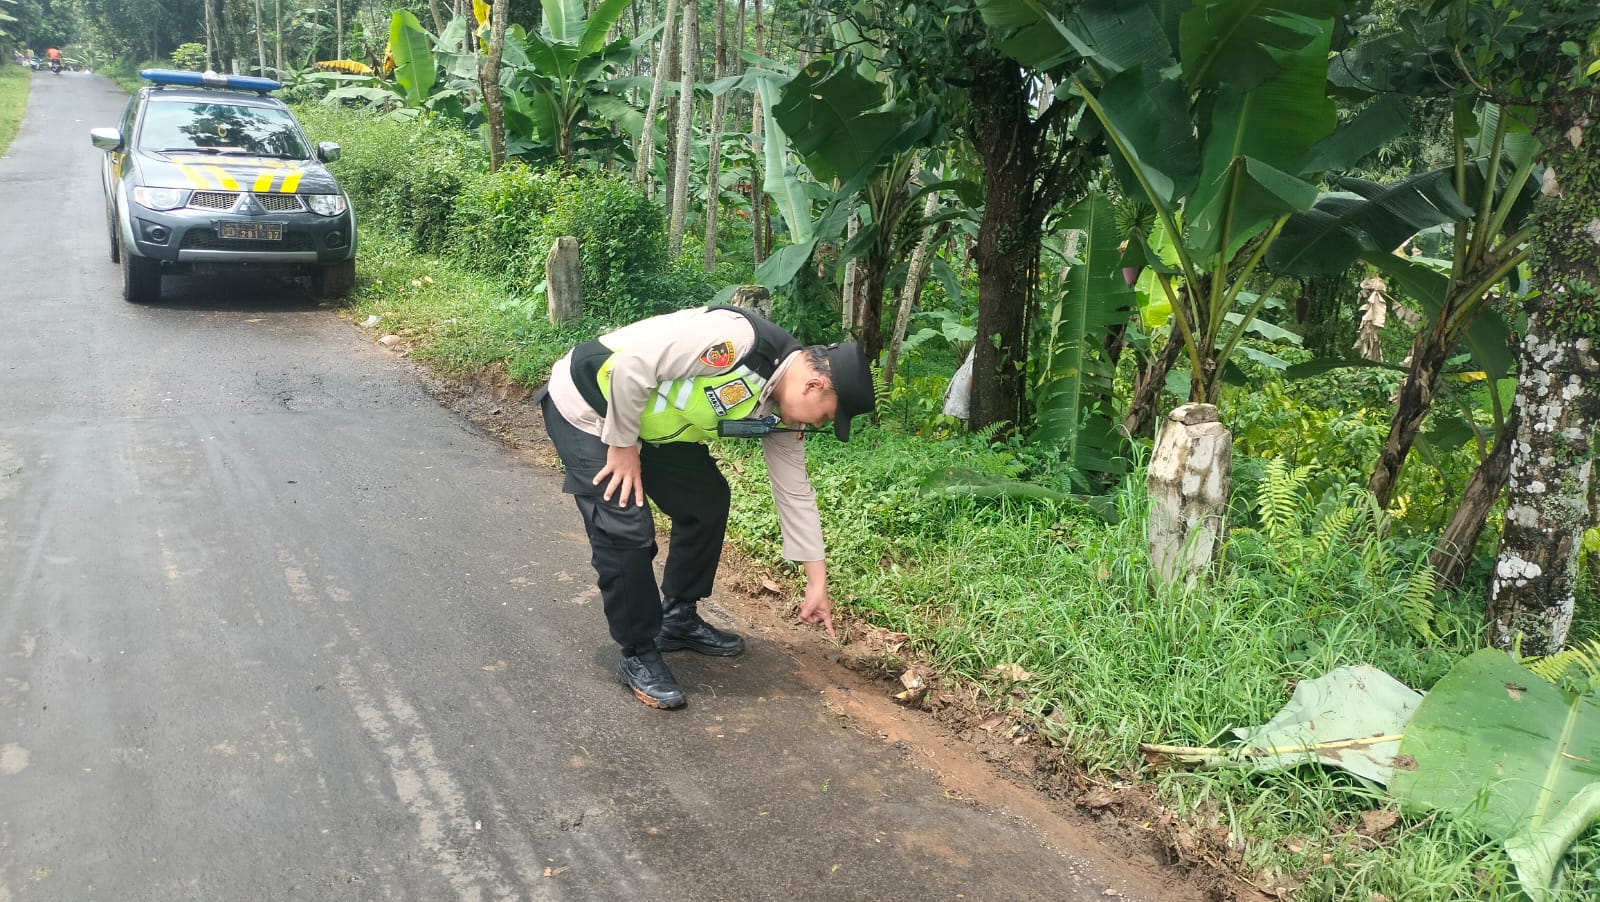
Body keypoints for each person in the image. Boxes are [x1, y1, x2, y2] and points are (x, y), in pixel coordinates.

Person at [538, 304, 876, 709]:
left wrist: (816, 581)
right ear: (814, 385)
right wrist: (623, 445)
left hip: (651, 427)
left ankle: (678, 617)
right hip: (589, 406)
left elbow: (796, 493)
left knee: (706, 500)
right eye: (825, 416)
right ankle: (638, 652)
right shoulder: (735, 343)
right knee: (624, 524)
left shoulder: (784, 415)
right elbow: (631, 368)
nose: (817, 426)